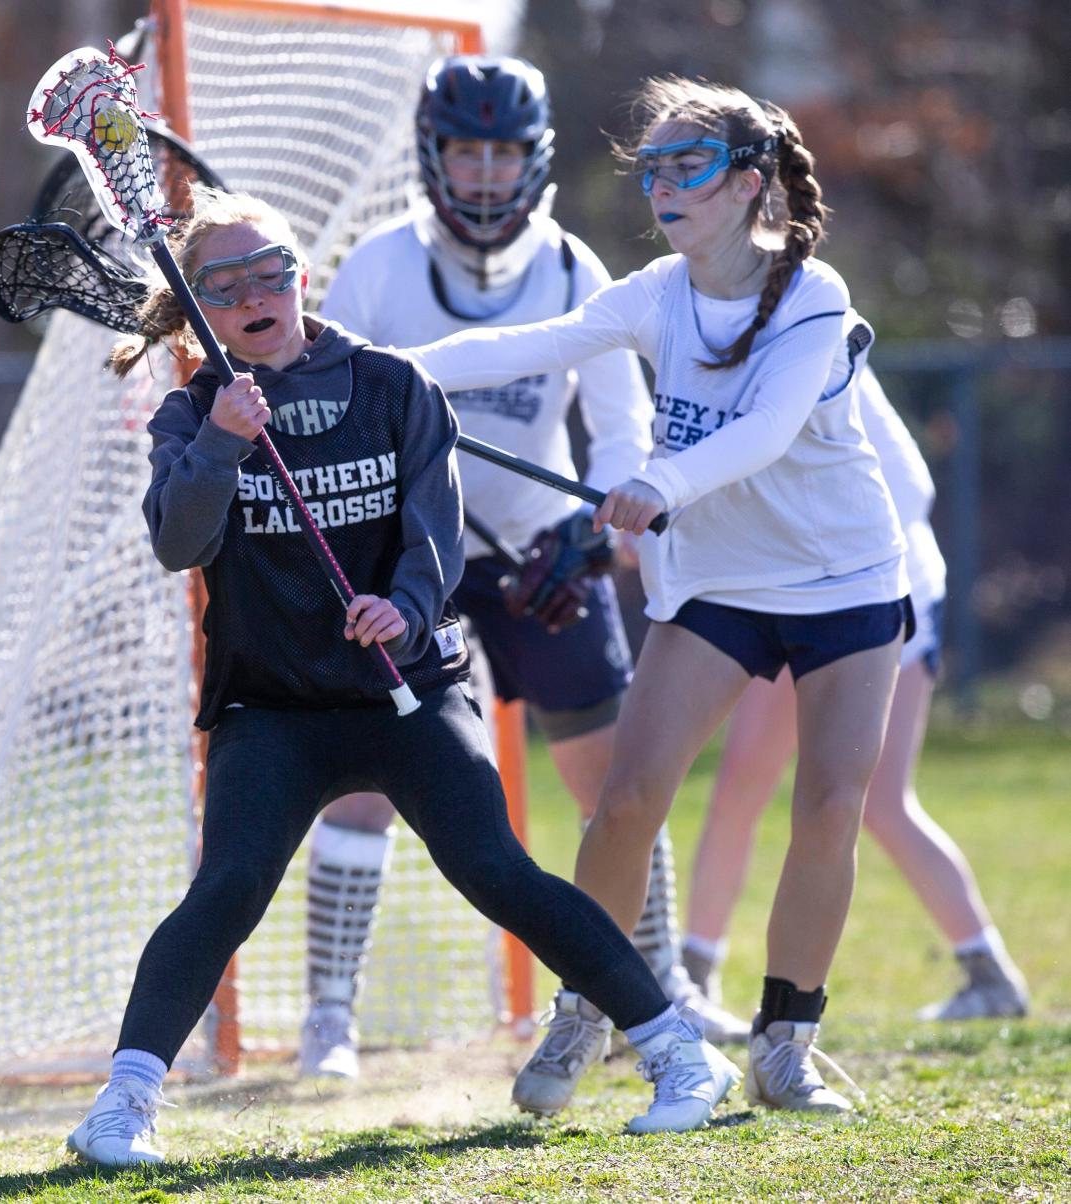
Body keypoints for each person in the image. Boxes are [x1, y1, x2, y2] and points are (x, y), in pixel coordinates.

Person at [63, 185, 742, 1167]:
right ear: (202, 308)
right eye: (228, 283)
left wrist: (405, 609)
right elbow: (180, 541)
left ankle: (678, 1054)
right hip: (273, 709)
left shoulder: (393, 385)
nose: (258, 292)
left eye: (273, 271)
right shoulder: (192, 412)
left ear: (303, 278)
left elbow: (435, 534)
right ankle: (124, 1104)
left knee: (497, 871)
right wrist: (221, 441)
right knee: (228, 887)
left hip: (406, 690)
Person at [406, 75, 916, 1117]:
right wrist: (363, 366)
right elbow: (521, 346)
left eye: (689, 166)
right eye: (653, 169)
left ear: (750, 181)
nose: (664, 186)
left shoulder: (815, 299)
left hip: (845, 582)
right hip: (719, 585)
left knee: (829, 804)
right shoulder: (652, 290)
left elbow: (765, 429)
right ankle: (589, 1011)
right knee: (629, 798)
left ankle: (785, 1045)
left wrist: (659, 482)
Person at [297, 54, 748, 1087]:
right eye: (469, 150)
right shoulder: (379, 268)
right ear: (435, 155)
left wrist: (595, 531)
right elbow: (343, 416)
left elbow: (619, 423)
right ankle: (330, 1014)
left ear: (533, 159)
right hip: (410, 557)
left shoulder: (574, 269)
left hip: (543, 551)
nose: (488, 173)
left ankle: (660, 983)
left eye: (504, 152)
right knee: (362, 781)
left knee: (619, 785)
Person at [681, 365, 1029, 1022]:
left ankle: (988, 974)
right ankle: (693, 978)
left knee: (879, 802)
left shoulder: (815, 336)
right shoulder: (719, 342)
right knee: (740, 784)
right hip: (797, 587)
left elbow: (912, 490)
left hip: (875, 593)